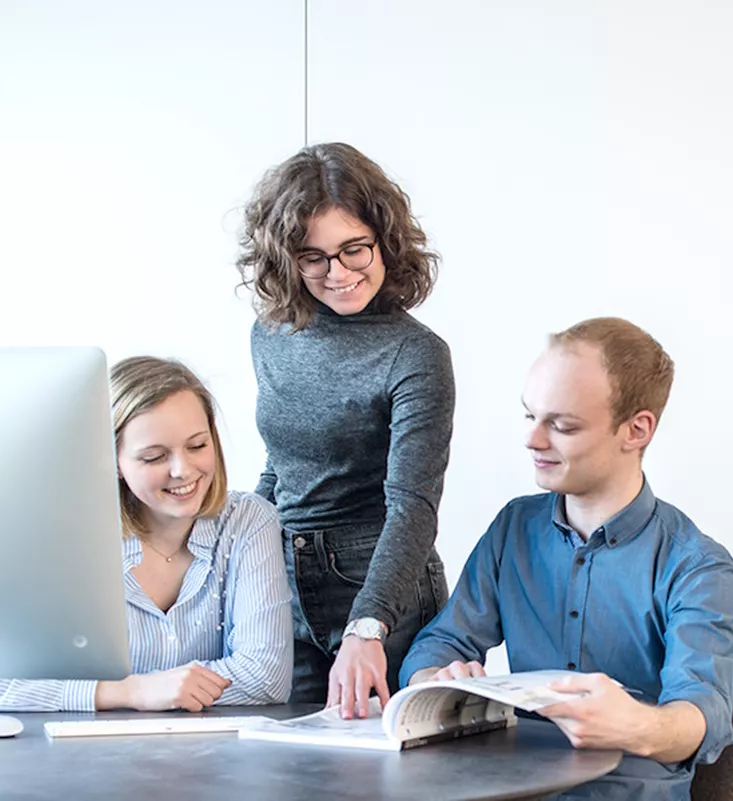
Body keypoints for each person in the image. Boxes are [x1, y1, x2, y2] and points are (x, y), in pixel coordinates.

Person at [400, 317, 733, 800]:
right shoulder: (513, 530)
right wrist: (437, 680)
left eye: (561, 425)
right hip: (511, 787)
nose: (533, 440)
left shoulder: (696, 564)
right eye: (530, 416)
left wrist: (634, 724)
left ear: (636, 429)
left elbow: (702, 716)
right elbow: (438, 645)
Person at [237, 142, 455, 717]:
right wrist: (235, 555)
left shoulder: (415, 354)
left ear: (384, 238)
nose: (337, 274)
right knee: (287, 771)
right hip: (282, 581)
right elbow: (278, 469)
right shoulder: (270, 334)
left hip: (379, 583)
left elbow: (412, 506)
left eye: (353, 249)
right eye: (313, 257)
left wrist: (369, 625)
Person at [0, 357, 292, 712]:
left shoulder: (248, 521)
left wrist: (160, 691)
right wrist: (131, 692)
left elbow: (265, 677)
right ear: (113, 461)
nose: (182, 470)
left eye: (197, 445)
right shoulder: (58, 539)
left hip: (210, 757)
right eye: (154, 457)